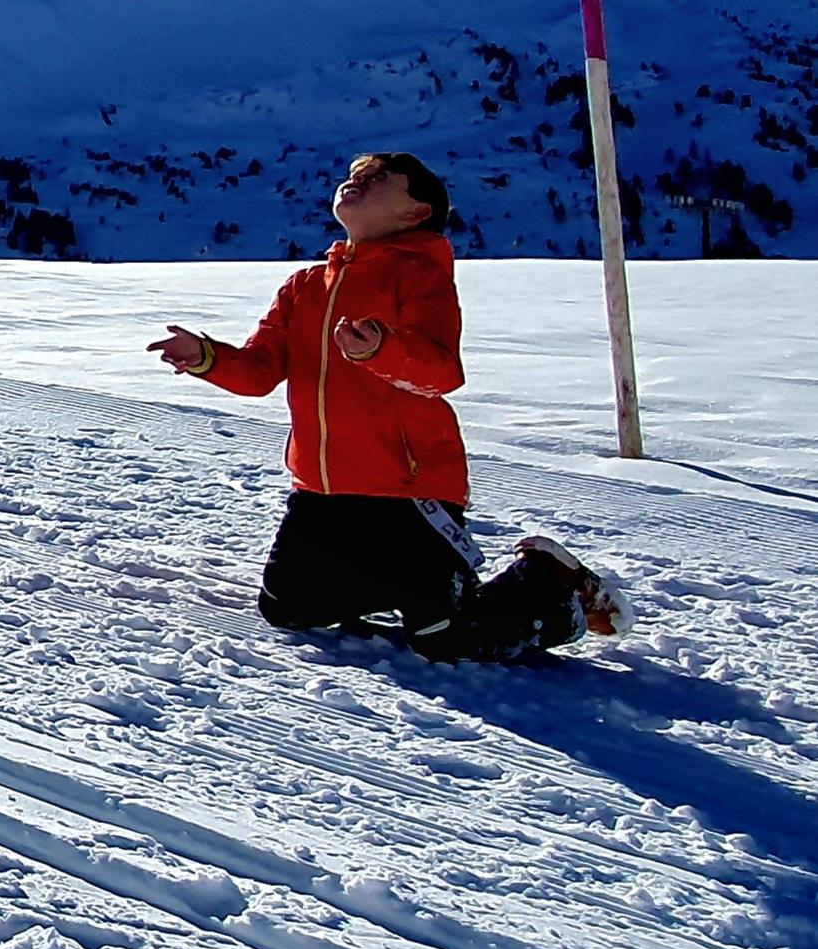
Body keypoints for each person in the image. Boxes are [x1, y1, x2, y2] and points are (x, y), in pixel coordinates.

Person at [148, 152, 621, 660]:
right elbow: (261, 372)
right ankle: (408, 586)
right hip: (322, 489)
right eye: (353, 176)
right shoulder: (305, 287)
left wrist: (380, 350)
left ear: (415, 213)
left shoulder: (419, 276)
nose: (356, 182)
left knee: (443, 638)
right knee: (288, 608)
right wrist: (206, 358)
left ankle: (550, 588)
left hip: (409, 489)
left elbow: (442, 372)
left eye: (377, 179)